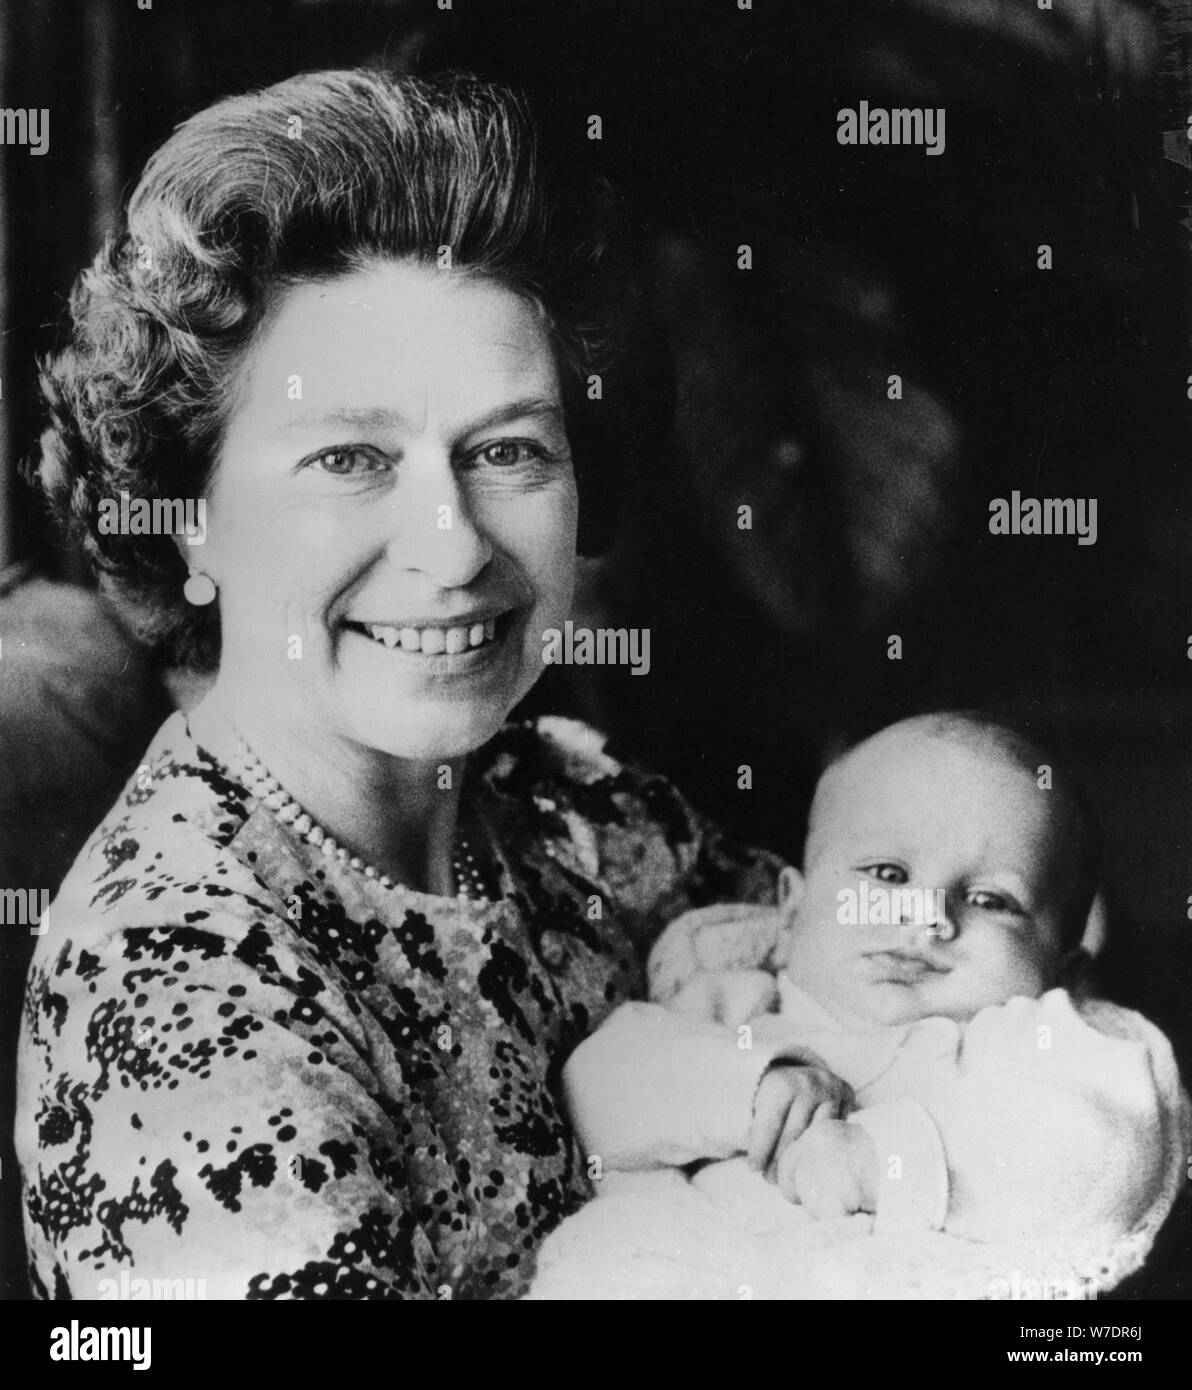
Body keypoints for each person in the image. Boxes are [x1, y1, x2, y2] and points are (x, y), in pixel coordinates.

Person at [14, 69, 810, 1300]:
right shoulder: (183, 996)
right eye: (348, 457)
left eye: (506, 451)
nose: (451, 544)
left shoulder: (575, 813)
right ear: (187, 526)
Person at [530, 714, 1190, 1299]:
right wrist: (748, 1093)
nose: (925, 917)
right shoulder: (732, 1002)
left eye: (991, 900)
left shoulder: (1034, 1044)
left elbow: (1102, 1158)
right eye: (888, 875)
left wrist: (883, 1162)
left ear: (1062, 973)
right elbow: (600, 1086)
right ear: (790, 910)